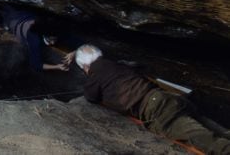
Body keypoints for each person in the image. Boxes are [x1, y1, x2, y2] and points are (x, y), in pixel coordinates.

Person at [75, 44, 230, 154]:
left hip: (156, 110)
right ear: (100, 55)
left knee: (203, 138)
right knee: (208, 125)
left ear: (85, 67)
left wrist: (87, 73)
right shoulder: (118, 64)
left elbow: (90, 97)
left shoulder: (93, 76)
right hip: (168, 98)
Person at [0, 5, 80, 72]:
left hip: (27, 15)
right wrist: (57, 67)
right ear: (44, 36)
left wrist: (74, 53)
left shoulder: (59, 32)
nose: (52, 43)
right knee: (2, 12)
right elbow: (35, 64)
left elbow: (83, 44)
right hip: (14, 21)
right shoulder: (34, 39)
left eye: (54, 39)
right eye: (50, 40)